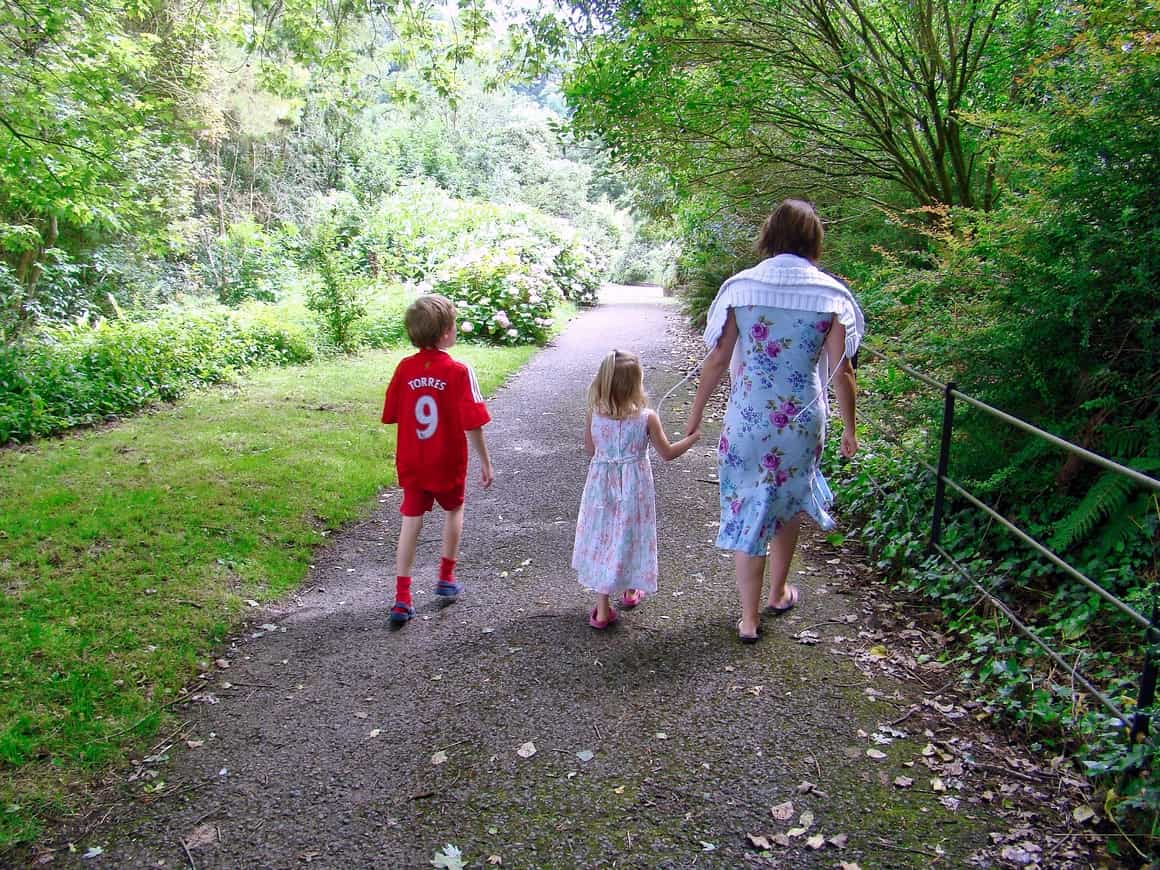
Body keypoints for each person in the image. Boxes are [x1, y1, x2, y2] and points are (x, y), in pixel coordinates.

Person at [684, 199, 863, 643]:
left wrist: (695, 413)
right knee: (786, 504)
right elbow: (842, 371)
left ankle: (747, 619)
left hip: (747, 418)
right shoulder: (831, 295)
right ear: (814, 238)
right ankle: (779, 591)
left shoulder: (741, 288)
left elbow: (718, 358)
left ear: (769, 234)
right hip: (801, 422)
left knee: (750, 505)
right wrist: (849, 427)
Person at [381, 294, 494, 626]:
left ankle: (402, 597)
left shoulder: (404, 368)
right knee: (454, 509)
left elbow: (393, 414)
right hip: (446, 460)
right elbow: (472, 421)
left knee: (410, 522)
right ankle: (446, 577)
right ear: (446, 332)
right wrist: (485, 461)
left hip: (414, 460)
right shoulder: (458, 371)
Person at [573, 350, 701, 629]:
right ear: (636, 384)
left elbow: (590, 449)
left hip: (601, 486)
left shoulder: (595, 414)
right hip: (634, 488)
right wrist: (692, 439)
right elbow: (667, 453)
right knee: (629, 534)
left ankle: (603, 608)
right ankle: (631, 590)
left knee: (604, 537)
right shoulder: (646, 418)